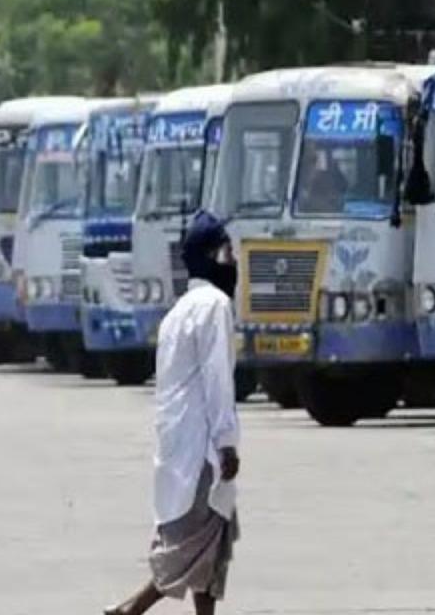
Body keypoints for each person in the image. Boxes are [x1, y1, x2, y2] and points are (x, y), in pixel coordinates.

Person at [106, 210, 242, 615]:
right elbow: (218, 381)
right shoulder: (214, 306)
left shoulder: (178, 312)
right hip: (200, 447)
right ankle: (130, 609)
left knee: (213, 541)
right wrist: (227, 443)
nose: (233, 261)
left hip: (177, 445)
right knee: (191, 544)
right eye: (227, 251)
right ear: (211, 256)